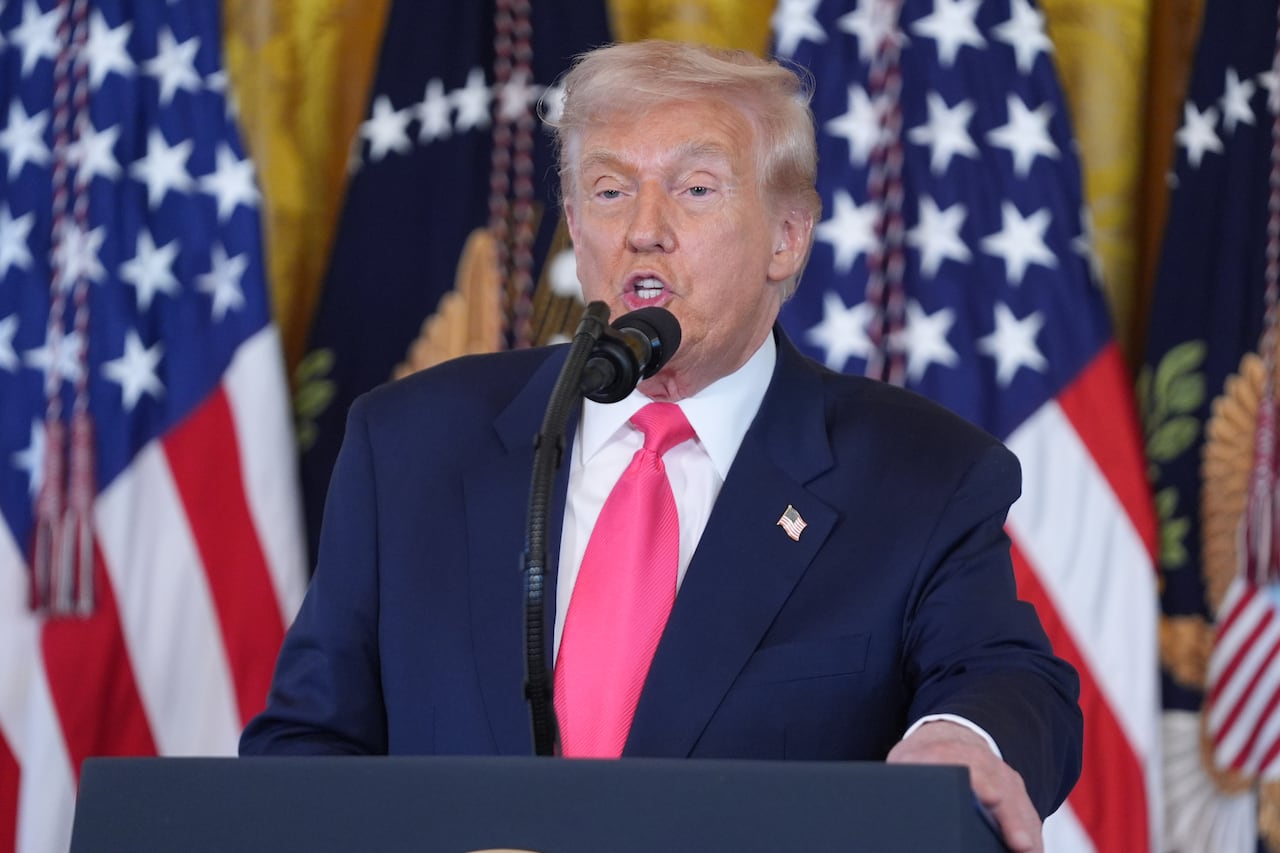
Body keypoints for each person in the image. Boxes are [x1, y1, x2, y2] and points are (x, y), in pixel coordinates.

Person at [241, 40, 1082, 852]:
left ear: (787, 236)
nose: (644, 229)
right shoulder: (410, 446)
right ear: (575, 226)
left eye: (695, 188)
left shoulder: (920, 474)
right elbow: (308, 748)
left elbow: (1005, 675)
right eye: (610, 191)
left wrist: (960, 736)